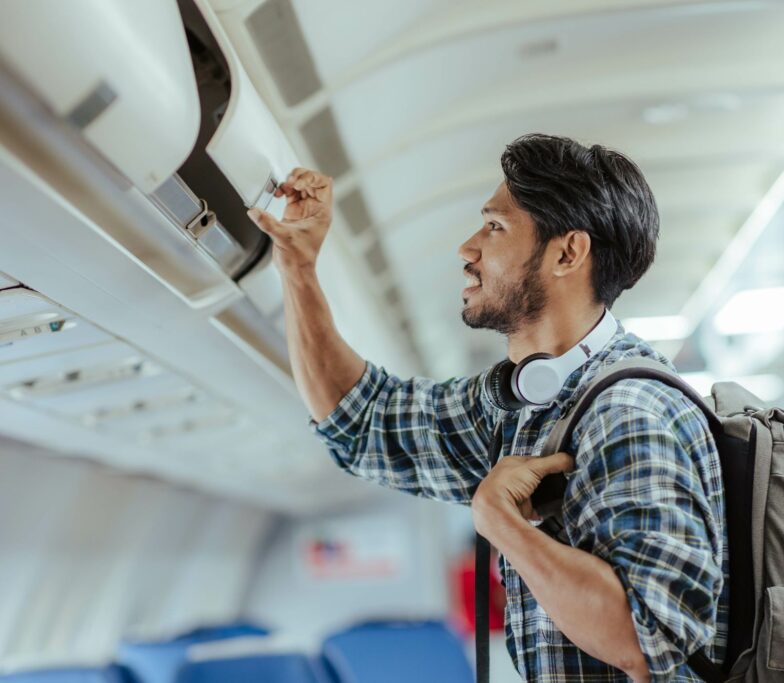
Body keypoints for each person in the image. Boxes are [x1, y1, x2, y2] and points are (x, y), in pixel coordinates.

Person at [247, 134, 727, 682]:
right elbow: (364, 420)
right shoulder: (527, 403)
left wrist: (501, 523)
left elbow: (648, 635)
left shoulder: (629, 413)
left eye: (495, 228)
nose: (467, 248)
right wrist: (298, 267)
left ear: (567, 253)